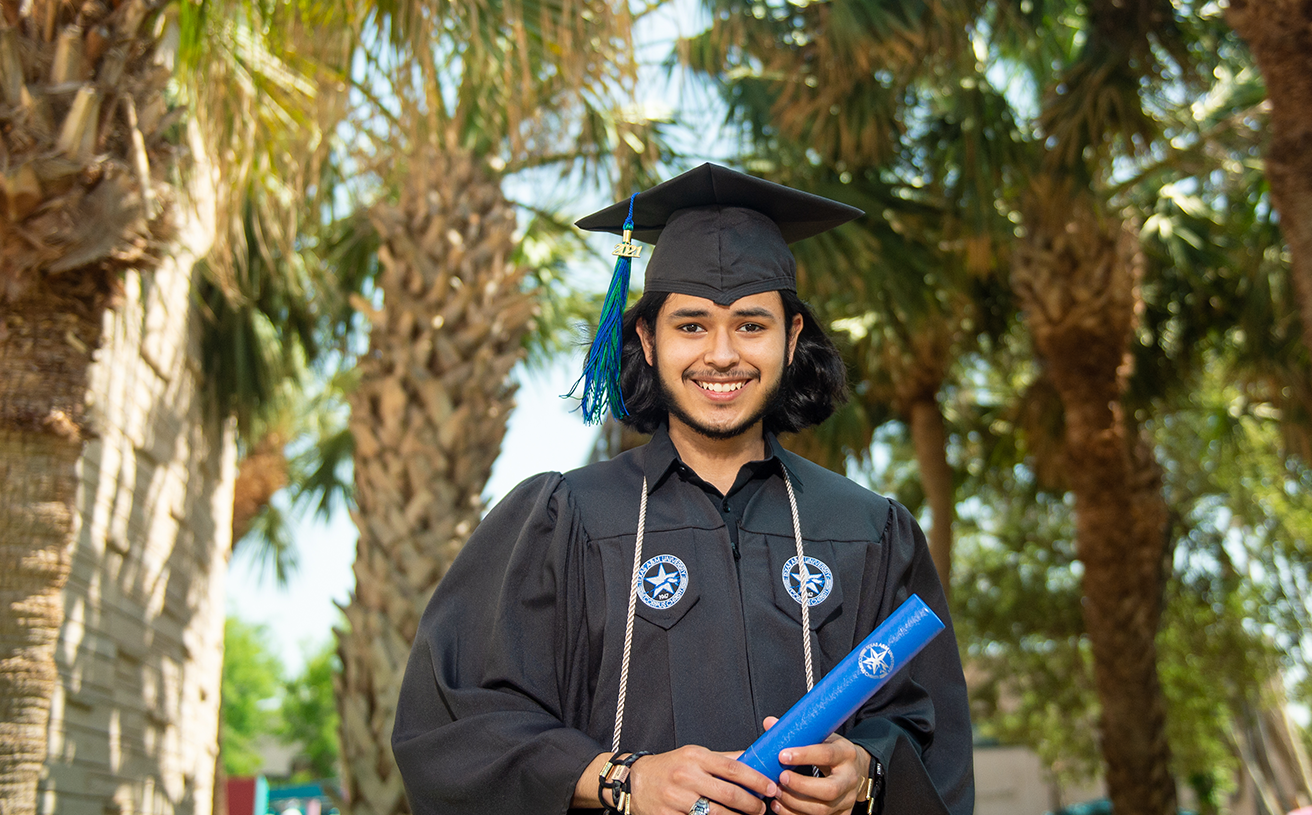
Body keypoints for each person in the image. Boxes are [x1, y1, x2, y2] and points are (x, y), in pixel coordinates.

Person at [392, 163, 974, 815]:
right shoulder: (564, 520)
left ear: (792, 338)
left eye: (751, 325)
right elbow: (453, 725)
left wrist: (868, 772)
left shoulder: (870, 530)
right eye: (692, 325)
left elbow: (934, 737)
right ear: (646, 337)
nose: (722, 354)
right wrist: (618, 777)